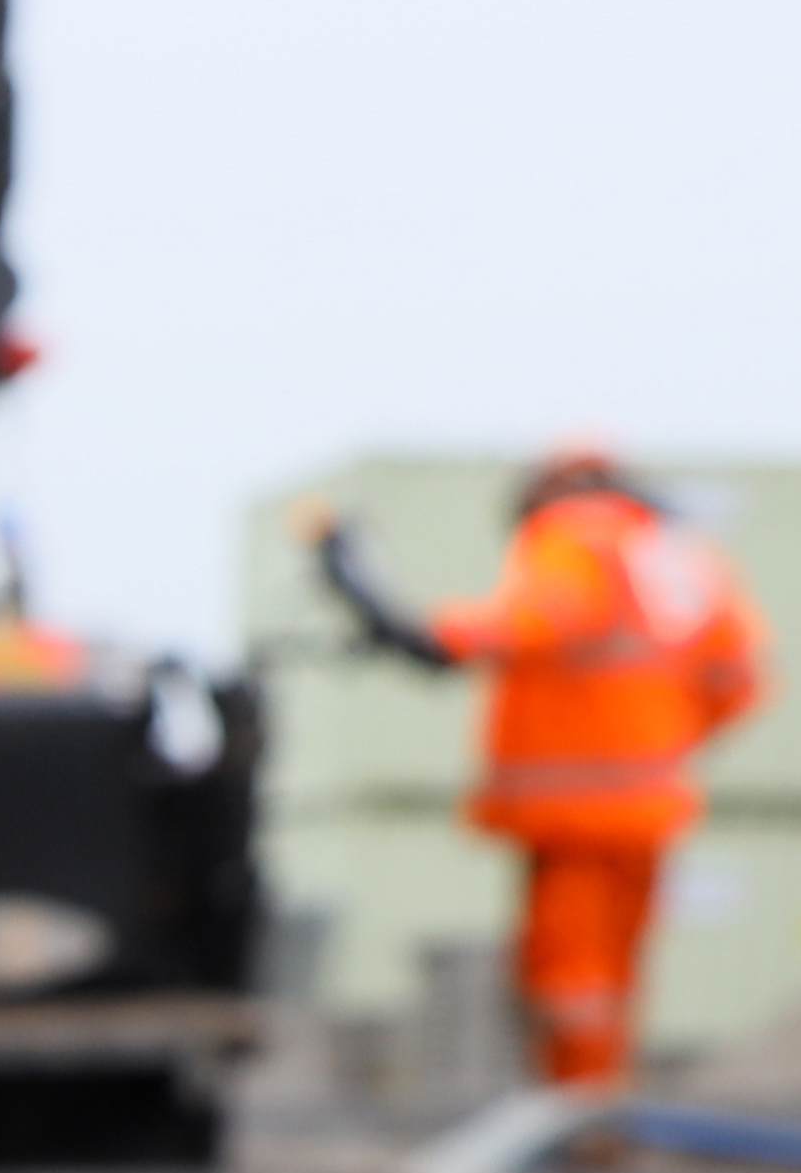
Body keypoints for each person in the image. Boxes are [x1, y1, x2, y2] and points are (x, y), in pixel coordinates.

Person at [299, 450, 764, 1096]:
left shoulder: (574, 537)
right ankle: (602, 1111)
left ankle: (579, 1119)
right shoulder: (680, 555)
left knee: (568, 975)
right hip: (649, 802)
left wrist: (427, 633)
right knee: (614, 973)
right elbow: (739, 681)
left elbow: (529, 621)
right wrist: (657, 743)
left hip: (574, 808)